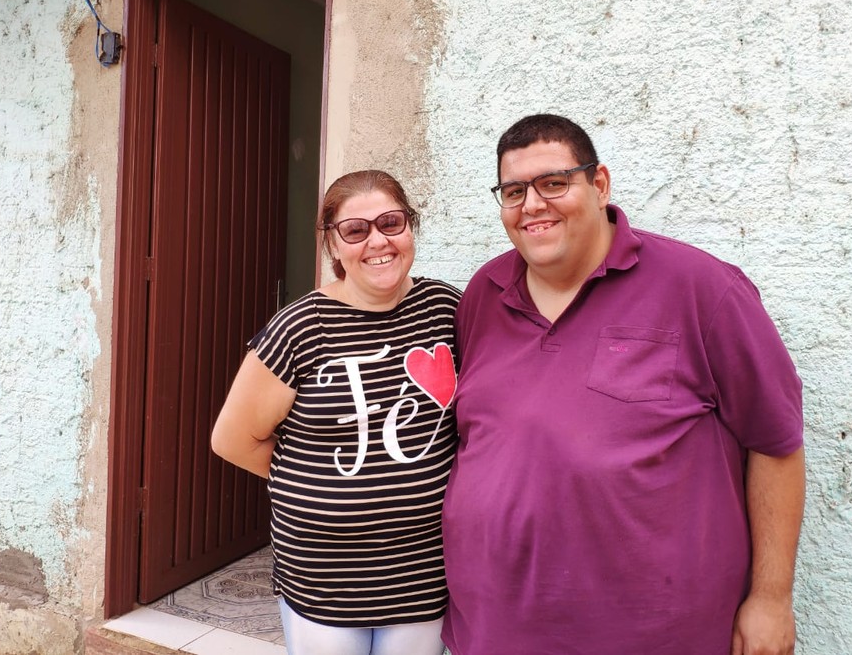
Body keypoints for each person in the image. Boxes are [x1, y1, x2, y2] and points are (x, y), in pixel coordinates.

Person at [441, 114, 805, 655]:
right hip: (495, 628)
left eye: (554, 182)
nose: (532, 205)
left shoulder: (702, 289)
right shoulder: (483, 293)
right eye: (514, 191)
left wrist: (771, 599)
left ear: (600, 184)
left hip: (654, 633)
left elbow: (775, 445)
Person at [212, 170, 461, 655]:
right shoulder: (300, 327)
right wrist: (317, 484)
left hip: (423, 570)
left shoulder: (445, 308)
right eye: (355, 230)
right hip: (325, 578)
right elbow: (232, 440)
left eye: (391, 222)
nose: (377, 241)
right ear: (333, 244)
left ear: (411, 226)